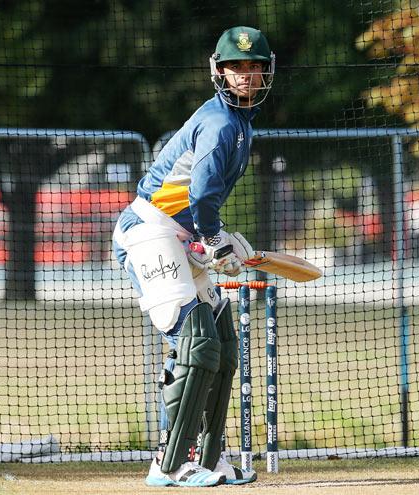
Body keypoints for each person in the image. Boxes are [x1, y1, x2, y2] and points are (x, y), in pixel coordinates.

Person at [112, 26, 274, 487]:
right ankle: (168, 466)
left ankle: (209, 458)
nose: (246, 75)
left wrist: (210, 239)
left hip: (180, 235)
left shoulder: (241, 122)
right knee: (197, 342)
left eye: (254, 66)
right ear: (219, 70)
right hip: (149, 231)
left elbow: (203, 202)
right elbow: (200, 193)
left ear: (266, 71)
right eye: (236, 67)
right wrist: (213, 236)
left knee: (222, 345)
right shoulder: (221, 122)